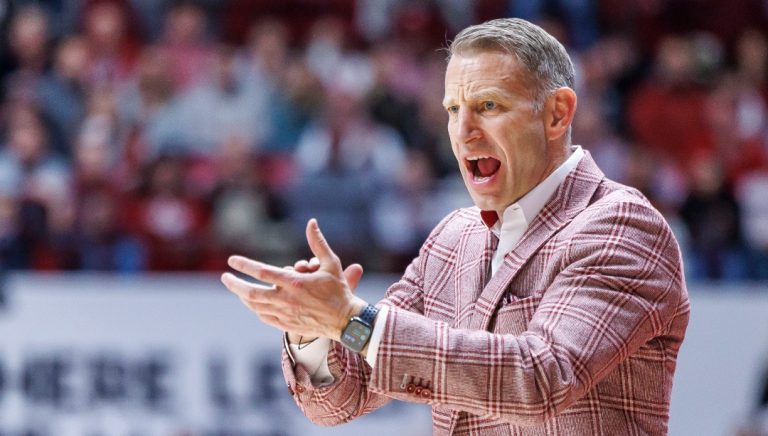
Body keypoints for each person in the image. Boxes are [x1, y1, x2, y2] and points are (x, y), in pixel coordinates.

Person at [221, 18, 690, 435]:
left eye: (488, 106)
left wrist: (353, 320)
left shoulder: (620, 226)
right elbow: (346, 396)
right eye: (452, 109)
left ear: (556, 114)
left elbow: (541, 378)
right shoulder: (453, 238)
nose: (463, 132)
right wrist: (316, 330)